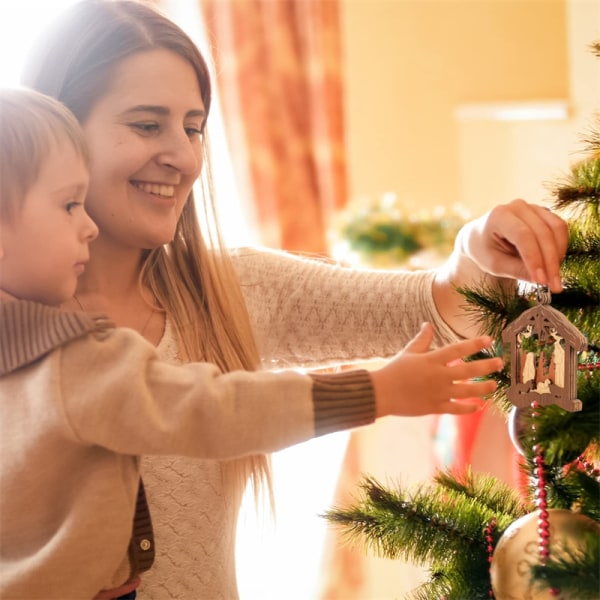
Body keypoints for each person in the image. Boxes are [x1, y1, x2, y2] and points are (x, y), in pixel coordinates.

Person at [19, 1, 568, 598]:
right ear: (59, 131)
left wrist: (475, 245)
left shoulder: (231, 294)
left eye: (194, 127)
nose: (181, 156)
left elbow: (439, 310)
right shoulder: (17, 339)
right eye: (147, 125)